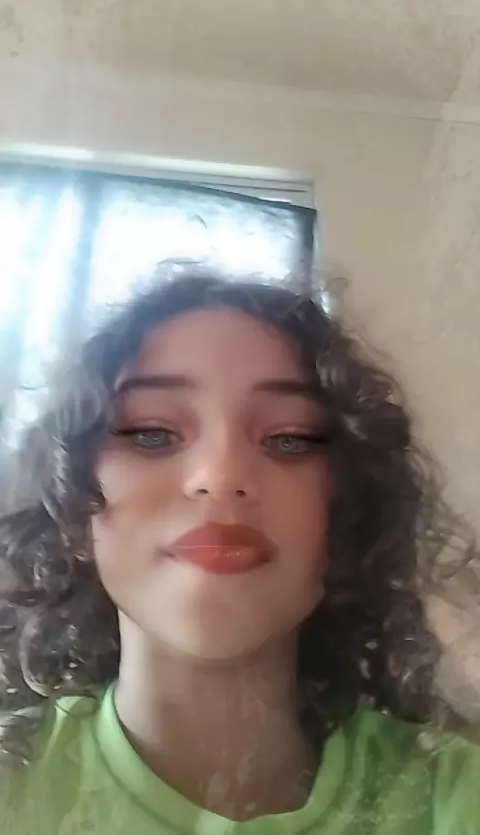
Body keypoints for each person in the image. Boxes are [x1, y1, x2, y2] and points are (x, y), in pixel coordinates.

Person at [0, 269, 479, 834]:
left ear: (349, 514)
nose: (221, 476)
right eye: (153, 433)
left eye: (288, 438)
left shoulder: (455, 793)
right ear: (72, 508)